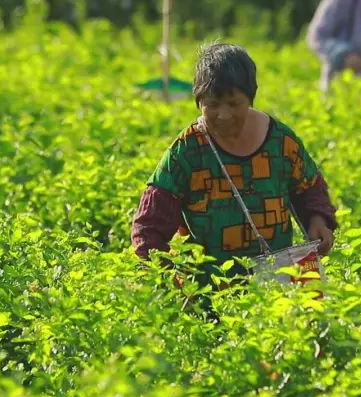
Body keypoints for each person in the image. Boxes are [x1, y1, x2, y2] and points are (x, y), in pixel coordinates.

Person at [132, 42, 338, 282]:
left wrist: (318, 221)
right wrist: (172, 283)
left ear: (250, 99)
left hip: (282, 281)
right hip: (211, 288)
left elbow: (309, 186)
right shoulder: (187, 151)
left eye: (233, 104)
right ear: (199, 102)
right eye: (213, 104)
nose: (224, 114)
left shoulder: (280, 142)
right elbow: (149, 227)